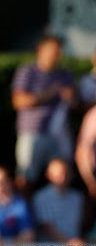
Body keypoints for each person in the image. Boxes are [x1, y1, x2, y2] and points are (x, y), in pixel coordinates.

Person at [11, 35, 75, 194]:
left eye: (58, 51)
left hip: (59, 134)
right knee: (26, 178)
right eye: (52, 50)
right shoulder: (27, 71)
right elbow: (19, 101)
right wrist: (49, 94)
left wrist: (72, 98)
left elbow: (75, 104)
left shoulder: (65, 74)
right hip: (32, 133)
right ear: (40, 50)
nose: (56, 54)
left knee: (61, 177)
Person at [33, 159, 84, 244]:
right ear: (49, 175)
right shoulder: (41, 198)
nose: (63, 178)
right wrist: (69, 242)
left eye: (66, 173)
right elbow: (47, 227)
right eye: (59, 175)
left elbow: (79, 225)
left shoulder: (77, 197)